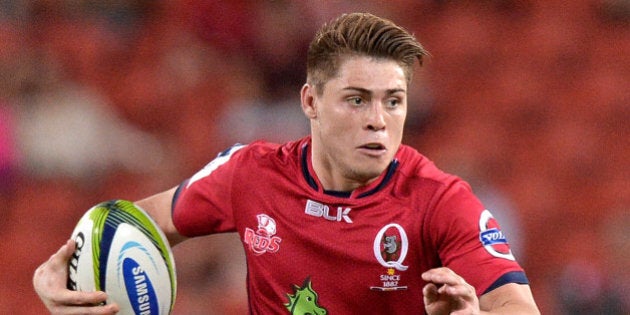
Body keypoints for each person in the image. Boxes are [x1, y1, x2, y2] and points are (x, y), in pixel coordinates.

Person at [33, 12, 540, 314]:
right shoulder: (250, 174)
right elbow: (136, 224)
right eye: (357, 99)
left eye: (394, 100)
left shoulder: (438, 200)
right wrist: (62, 273)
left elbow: (517, 305)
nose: (379, 121)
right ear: (310, 102)